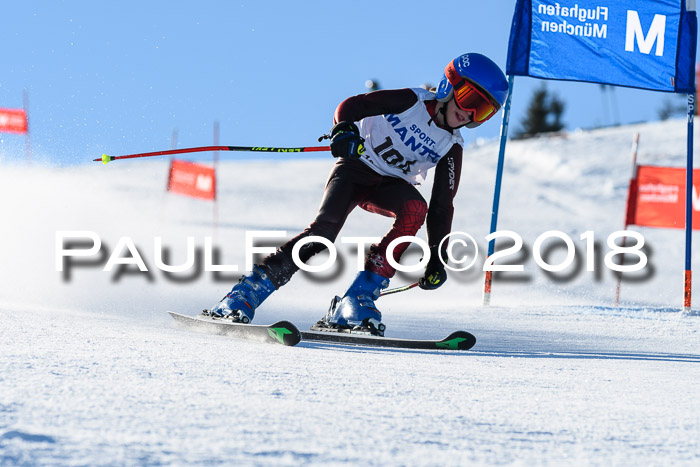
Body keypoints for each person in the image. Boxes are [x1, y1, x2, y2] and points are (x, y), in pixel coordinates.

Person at [207, 53, 509, 336]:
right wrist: (344, 131)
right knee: (322, 234)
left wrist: (436, 258)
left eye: (482, 111)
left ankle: (357, 299)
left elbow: (442, 206)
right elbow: (352, 105)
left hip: (389, 186)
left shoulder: (451, 146)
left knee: (416, 207)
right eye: (470, 98)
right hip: (355, 169)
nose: (468, 112)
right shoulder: (411, 101)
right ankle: (245, 293)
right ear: (449, 84)